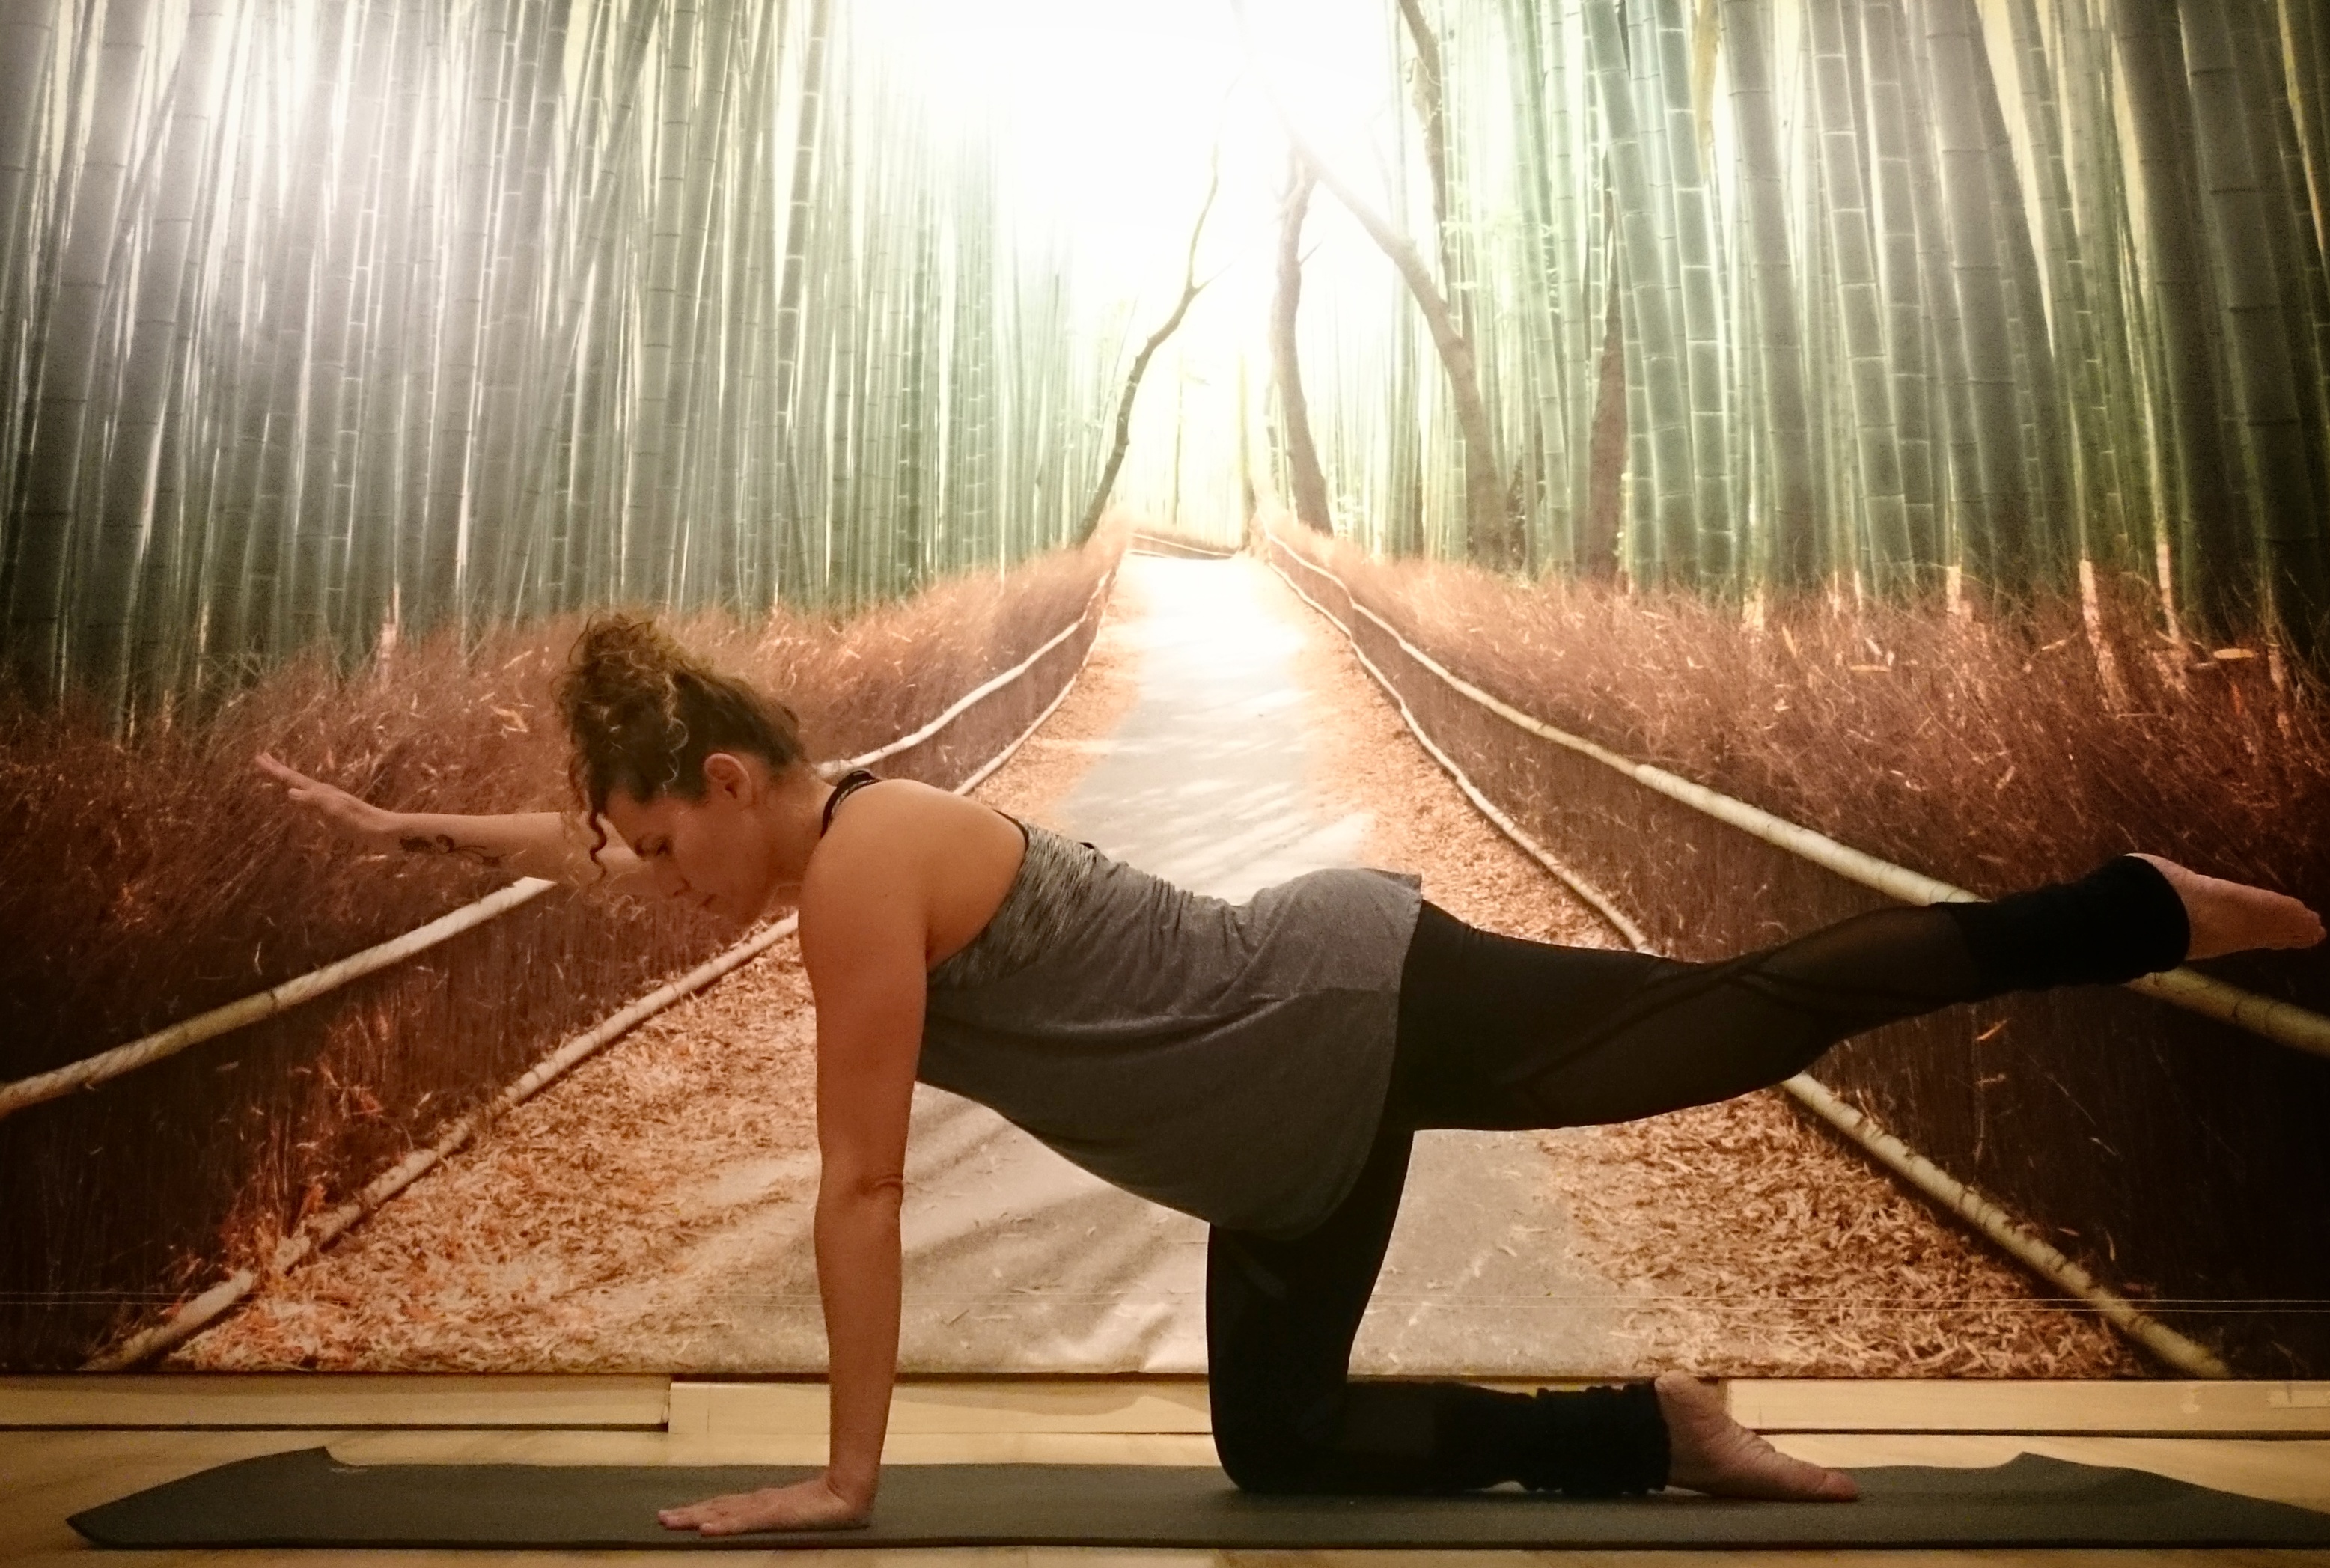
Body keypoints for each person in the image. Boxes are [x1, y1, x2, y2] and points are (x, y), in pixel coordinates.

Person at [257, 612, 2326, 1537]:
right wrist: (402, 832)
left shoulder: (861, 874)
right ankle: (1660, 1431)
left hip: (1345, 1008)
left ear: (728, 781)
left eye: (658, 840)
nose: (650, 883)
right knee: (1288, 1445)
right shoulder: (801, 837)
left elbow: (862, 1187)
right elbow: (588, 853)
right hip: (1277, 1144)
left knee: (1742, 1007)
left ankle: (2121, 908)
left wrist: (846, 1479)